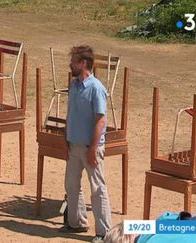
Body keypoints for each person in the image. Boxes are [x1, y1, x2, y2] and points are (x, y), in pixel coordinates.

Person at [60, 45, 112, 243]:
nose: (70, 64)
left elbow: (101, 120)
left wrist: (93, 148)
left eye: (73, 61)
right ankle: (77, 222)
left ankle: (104, 232)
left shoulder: (96, 88)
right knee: (71, 185)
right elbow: (70, 114)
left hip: (91, 147)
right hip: (73, 145)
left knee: (98, 188)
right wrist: (66, 140)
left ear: (83, 64)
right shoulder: (73, 85)